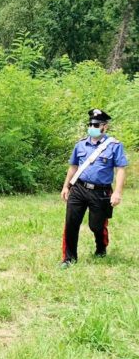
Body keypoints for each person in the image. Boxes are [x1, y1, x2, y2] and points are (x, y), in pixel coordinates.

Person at [60, 108, 128, 267]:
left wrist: (117, 192)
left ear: (105, 127)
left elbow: (121, 170)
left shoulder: (114, 146)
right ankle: (69, 258)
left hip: (101, 191)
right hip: (78, 189)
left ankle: (101, 246)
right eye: (91, 124)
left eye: (97, 125)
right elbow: (73, 167)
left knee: (96, 225)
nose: (93, 127)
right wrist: (66, 187)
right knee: (71, 223)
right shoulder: (80, 145)